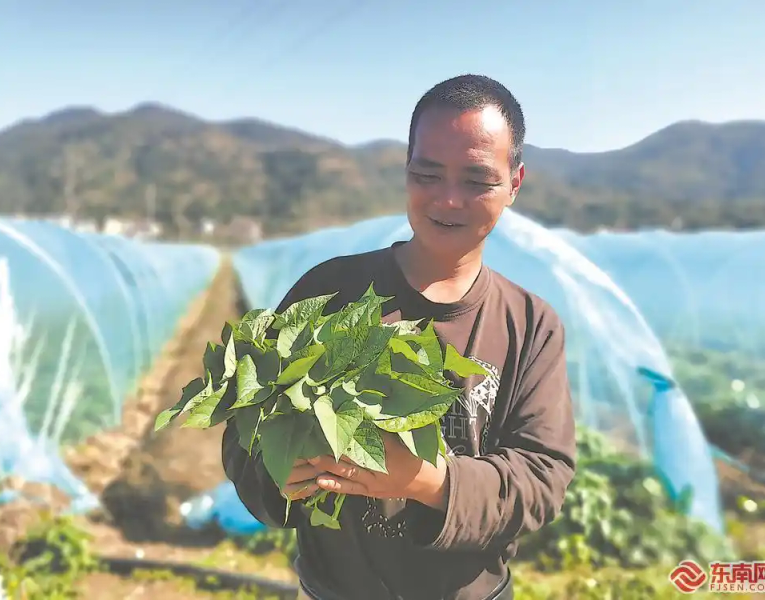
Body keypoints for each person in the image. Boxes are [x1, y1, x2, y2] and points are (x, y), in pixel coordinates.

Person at [222, 74, 577, 600]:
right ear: (406, 171)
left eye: (477, 180)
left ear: (514, 183)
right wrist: (279, 472)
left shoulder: (529, 325)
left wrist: (428, 482)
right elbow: (245, 429)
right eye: (427, 174)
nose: (448, 200)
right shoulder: (329, 291)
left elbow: (542, 477)